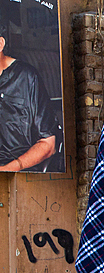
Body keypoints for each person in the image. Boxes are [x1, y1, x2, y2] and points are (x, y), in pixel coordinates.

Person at [0, 20, 58, 171]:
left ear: (0, 44)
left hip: (19, 177)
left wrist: (8, 170)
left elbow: (48, 144)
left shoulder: (26, 78)